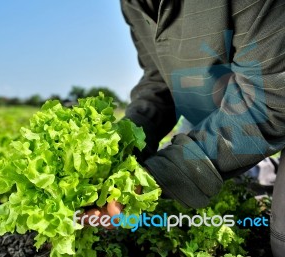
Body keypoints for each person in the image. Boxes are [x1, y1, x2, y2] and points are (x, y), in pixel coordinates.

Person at [87, 0, 285, 256]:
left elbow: (272, 102)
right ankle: (253, 166)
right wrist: (122, 150)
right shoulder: (133, 4)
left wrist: (157, 176)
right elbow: (159, 79)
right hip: (222, 100)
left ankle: (252, 162)